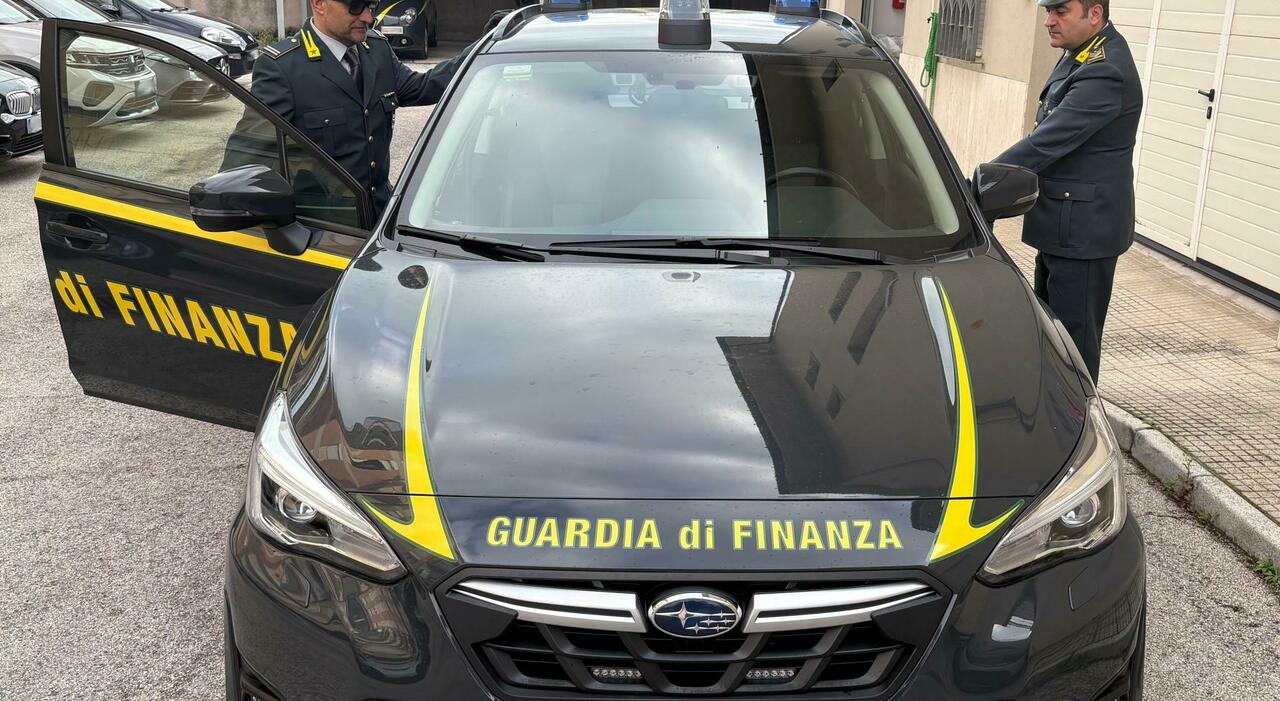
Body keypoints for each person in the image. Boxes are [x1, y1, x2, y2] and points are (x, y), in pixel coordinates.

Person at [993, 0, 1142, 383]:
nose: (1048, 21)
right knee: (1053, 341)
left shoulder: (1104, 70)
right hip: (1065, 228)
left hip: (1083, 236)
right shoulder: (1080, 53)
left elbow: (1046, 142)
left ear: (1094, 14)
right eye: (1048, 12)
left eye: (1060, 12)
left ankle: (1077, 418)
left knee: (1073, 353)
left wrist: (979, 182)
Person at [248, 0, 475, 216]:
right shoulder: (282, 68)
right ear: (319, 4)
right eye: (355, 6)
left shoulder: (376, 49)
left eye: (370, 6)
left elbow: (422, 87)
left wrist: (481, 48)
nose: (368, 17)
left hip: (380, 217)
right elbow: (250, 166)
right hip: (326, 227)